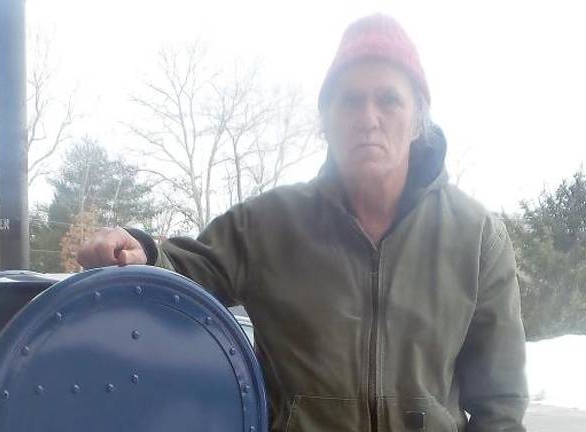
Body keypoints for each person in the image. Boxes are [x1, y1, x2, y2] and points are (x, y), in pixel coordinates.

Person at [77, 14, 528, 432]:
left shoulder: (477, 237)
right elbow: (191, 270)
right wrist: (140, 251)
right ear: (325, 122)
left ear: (417, 120)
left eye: (388, 99)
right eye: (349, 100)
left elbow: (500, 404)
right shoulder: (268, 224)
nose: (368, 118)